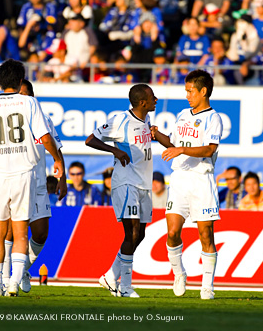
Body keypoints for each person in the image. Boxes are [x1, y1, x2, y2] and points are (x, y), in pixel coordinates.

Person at [0, 59, 64, 297]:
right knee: (20, 232)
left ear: (0, 81)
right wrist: (56, 158)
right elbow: (44, 138)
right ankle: (12, 283)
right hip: (24, 174)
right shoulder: (29, 103)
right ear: (20, 80)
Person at [150, 69, 223, 300]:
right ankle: (179, 273)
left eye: (191, 91)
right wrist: (158, 135)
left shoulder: (214, 118)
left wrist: (181, 149)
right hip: (180, 178)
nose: (187, 95)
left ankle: (207, 286)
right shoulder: (182, 114)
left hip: (202, 179)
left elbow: (209, 149)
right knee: (172, 232)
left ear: (204, 91)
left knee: (205, 234)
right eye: (186, 91)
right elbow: (174, 144)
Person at [86, 84, 157, 298]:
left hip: (144, 183)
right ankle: (125, 286)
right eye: (153, 96)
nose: (156, 99)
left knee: (140, 234)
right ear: (143, 102)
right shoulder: (120, 120)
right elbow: (90, 139)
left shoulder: (146, 120)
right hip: (126, 182)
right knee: (132, 232)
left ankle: (110, 275)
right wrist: (114, 150)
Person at [0, 79, 66, 293]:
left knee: (40, 234)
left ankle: (21, 271)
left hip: (37, 184)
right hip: (15, 180)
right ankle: (7, 280)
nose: (22, 97)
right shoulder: (5, 118)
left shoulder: (44, 119)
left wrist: (62, 179)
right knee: (11, 233)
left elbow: (55, 147)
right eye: (19, 93)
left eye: (26, 94)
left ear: (33, 97)